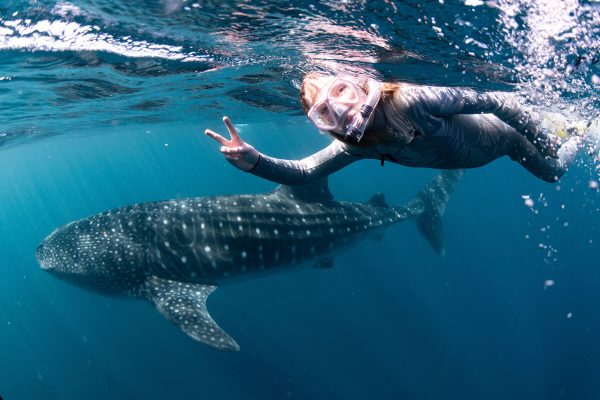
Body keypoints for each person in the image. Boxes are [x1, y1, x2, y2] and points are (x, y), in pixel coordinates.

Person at [205, 73, 593, 185]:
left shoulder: (412, 100)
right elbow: (306, 172)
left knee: (553, 165)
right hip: (492, 152)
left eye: (341, 91)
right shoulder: (357, 147)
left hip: (507, 134)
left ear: (358, 82)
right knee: (555, 177)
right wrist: (256, 161)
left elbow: (498, 102)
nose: (341, 109)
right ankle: (570, 131)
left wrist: (540, 141)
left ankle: (580, 130)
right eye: (324, 112)